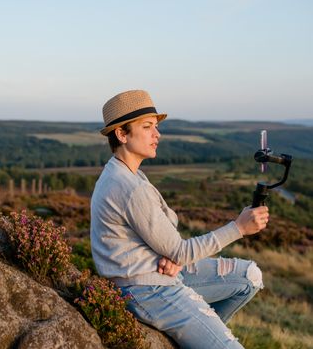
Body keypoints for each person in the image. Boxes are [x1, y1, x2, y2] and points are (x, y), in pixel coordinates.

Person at [90, 90, 268, 349]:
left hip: (157, 274)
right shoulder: (128, 186)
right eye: (148, 127)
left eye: (157, 127)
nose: (157, 134)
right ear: (122, 134)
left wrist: (174, 256)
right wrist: (238, 228)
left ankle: (205, 336)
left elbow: (169, 225)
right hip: (146, 289)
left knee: (250, 277)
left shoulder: (129, 174)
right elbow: (181, 248)